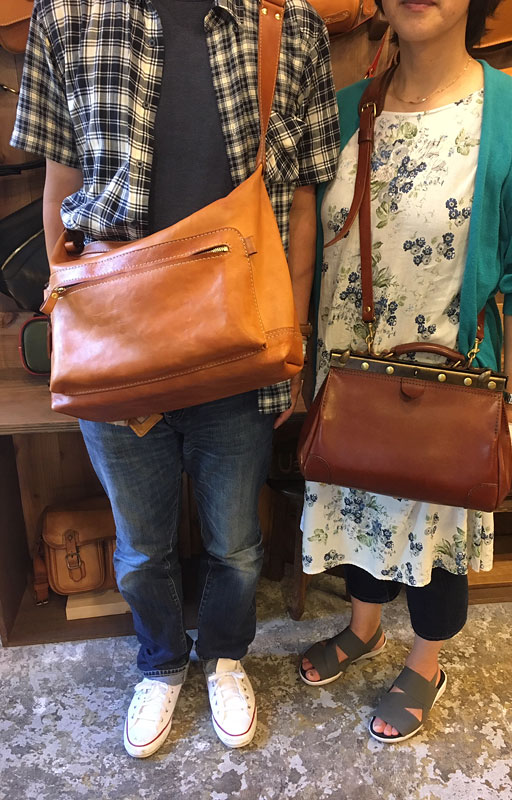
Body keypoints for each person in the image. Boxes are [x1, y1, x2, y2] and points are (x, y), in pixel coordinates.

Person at [12, 0, 339, 756]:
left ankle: (223, 658)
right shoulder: (66, 14)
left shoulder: (290, 25)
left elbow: (300, 206)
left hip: (240, 344)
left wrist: (292, 341)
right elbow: (59, 190)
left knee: (237, 544)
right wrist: (73, 321)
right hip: (118, 347)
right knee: (138, 549)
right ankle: (160, 663)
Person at [299, 0, 512, 744]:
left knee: (437, 530)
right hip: (348, 378)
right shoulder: (346, 110)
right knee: (356, 502)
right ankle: (363, 627)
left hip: (451, 388)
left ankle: (426, 660)